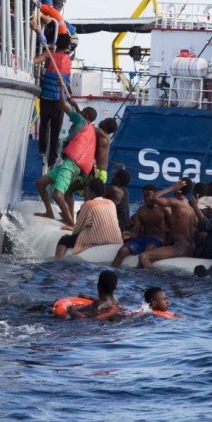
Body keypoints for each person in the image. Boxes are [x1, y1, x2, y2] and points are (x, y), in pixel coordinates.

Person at [34, 90, 97, 225]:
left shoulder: (80, 120)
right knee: (40, 183)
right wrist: (75, 104)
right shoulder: (88, 127)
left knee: (57, 194)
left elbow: (62, 105)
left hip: (70, 164)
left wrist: (60, 89)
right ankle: (50, 212)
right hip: (69, 164)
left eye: (83, 111)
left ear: (85, 114)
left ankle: (70, 224)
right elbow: (80, 114)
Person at [137, 179, 200, 266]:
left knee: (143, 257)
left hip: (180, 248)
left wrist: (172, 188)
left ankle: (153, 278)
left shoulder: (176, 203)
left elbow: (153, 198)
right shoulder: (190, 207)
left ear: (179, 188)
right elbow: (196, 225)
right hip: (191, 247)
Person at [55, 178, 123, 258]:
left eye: (87, 191)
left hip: (97, 240)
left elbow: (78, 229)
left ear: (92, 193)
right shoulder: (111, 203)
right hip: (116, 239)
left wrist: (70, 236)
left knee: (64, 240)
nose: (85, 193)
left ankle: (57, 261)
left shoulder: (88, 205)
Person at [35, 34, 73, 170]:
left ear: (57, 43)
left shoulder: (49, 54)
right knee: (55, 131)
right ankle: (52, 158)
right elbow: (67, 82)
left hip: (46, 97)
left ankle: (42, 150)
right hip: (59, 101)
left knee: (44, 125)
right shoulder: (69, 60)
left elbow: (36, 60)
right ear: (68, 46)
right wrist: (70, 96)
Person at [111, 184, 170, 266]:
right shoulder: (141, 211)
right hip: (144, 239)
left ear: (156, 196)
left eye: (149, 196)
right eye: (145, 196)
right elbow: (137, 233)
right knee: (123, 250)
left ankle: (142, 275)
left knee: (148, 250)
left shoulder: (165, 210)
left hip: (159, 241)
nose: (147, 199)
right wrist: (128, 235)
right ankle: (113, 273)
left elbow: (173, 228)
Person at [106, 169, 132, 234]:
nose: (112, 178)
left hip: (119, 225)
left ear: (118, 179)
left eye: (114, 176)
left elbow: (97, 189)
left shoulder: (114, 190)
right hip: (123, 223)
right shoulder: (125, 190)